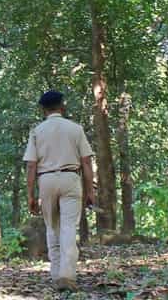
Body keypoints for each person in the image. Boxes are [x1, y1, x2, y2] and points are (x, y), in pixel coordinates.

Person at [23, 90, 96, 292]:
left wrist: (30, 194)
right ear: (62, 106)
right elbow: (86, 161)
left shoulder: (37, 131)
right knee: (68, 228)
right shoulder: (75, 129)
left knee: (52, 227)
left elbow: (31, 165)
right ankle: (67, 275)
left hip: (45, 180)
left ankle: (56, 275)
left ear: (43, 110)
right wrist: (91, 190)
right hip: (71, 178)